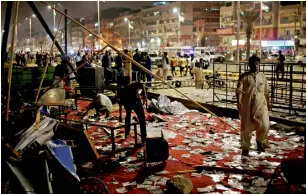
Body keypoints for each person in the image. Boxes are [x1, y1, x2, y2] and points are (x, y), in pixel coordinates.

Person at [236, 56, 270, 156]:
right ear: (250, 65)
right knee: (246, 128)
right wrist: (239, 102)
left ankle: (260, 141)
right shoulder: (244, 77)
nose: (256, 66)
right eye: (254, 64)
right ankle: (245, 147)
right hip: (248, 106)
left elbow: (266, 92)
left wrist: (268, 103)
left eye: (258, 64)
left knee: (265, 125)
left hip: (261, 105)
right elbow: (239, 91)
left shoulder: (262, 76)